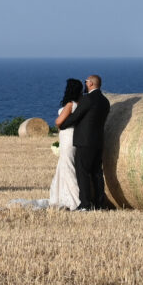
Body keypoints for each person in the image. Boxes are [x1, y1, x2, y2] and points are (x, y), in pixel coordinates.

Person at [58, 73, 110, 210]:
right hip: (98, 141)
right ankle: (99, 204)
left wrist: (62, 125)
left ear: (91, 83)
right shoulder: (105, 101)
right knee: (97, 173)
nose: (85, 84)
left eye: (86, 81)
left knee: (83, 173)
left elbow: (75, 116)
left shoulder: (88, 99)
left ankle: (85, 204)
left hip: (85, 141)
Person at [48, 78, 83, 209]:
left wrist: (58, 124)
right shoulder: (80, 103)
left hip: (68, 136)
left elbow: (58, 121)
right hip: (73, 136)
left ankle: (76, 200)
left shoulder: (70, 104)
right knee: (66, 166)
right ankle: (65, 196)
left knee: (68, 167)